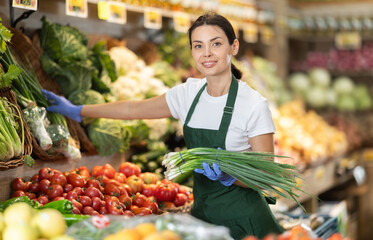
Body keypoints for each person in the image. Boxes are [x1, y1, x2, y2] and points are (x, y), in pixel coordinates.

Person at [42, 12, 283, 239]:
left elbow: (266, 176)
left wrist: (229, 175)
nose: (207, 53)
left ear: (234, 47)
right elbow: (133, 109)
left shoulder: (253, 104)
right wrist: (78, 110)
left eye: (216, 43)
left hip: (246, 225)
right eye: (198, 46)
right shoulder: (188, 94)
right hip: (203, 221)